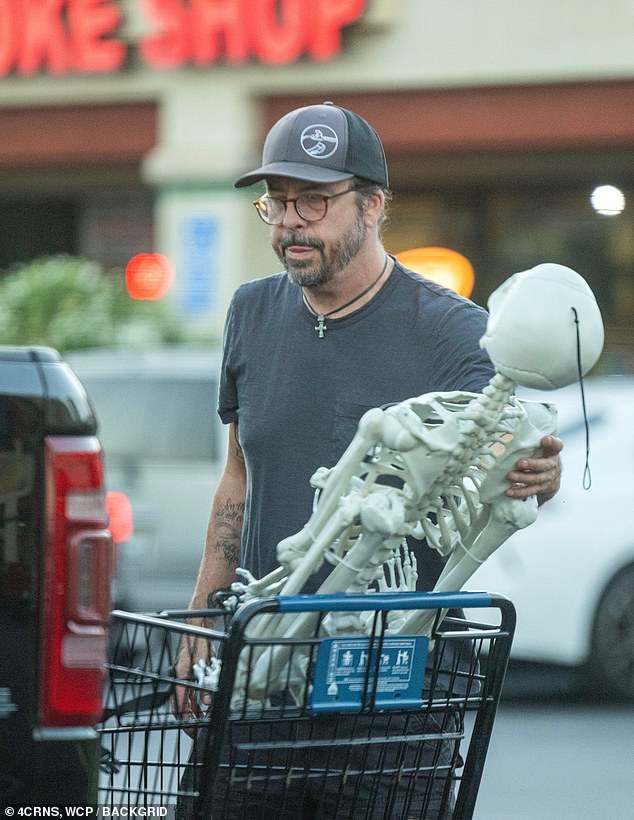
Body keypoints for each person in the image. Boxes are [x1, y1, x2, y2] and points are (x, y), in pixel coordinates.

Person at [175, 102, 563, 818]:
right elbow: (239, 474)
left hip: (397, 693)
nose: (291, 222)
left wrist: (540, 470)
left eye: (314, 202)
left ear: (373, 206)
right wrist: (204, 618)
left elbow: (513, 453)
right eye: (278, 203)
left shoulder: (453, 331)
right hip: (264, 671)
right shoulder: (250, 314)